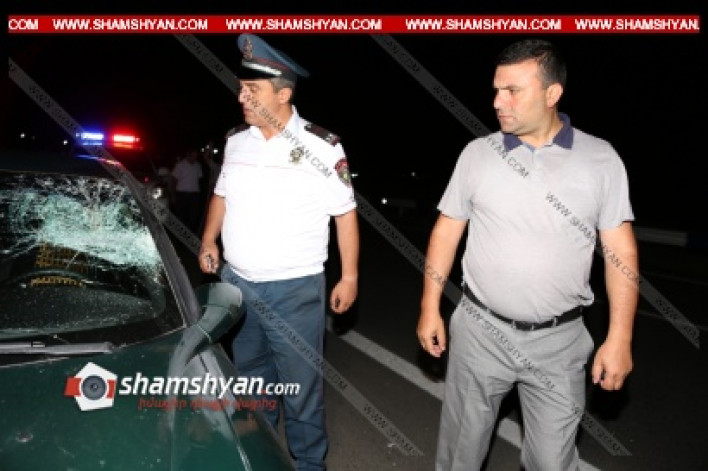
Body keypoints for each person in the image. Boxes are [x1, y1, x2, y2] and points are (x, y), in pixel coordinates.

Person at [417, 39, 638, 471]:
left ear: (552, 93)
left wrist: (620, 338)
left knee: (552, 463)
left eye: (512, 91)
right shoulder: (478, 155)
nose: (498, 101)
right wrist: (429, 308)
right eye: (496, 90)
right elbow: (445, 233)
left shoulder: (601, 160)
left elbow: (620, 251)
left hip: (559, 342)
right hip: (480, 332)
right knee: (460, 455)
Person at [199, 34, 359, 471]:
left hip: (295, 290)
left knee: (301, 392)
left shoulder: (323, 146)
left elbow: (345, 214)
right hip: (239, 287)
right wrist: (209, 239)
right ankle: (263, 461)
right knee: (253, 389)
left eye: (252, 90)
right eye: (241, 88)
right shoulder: (237, 140)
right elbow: (221, 195)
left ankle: (309, 465)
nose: (242, 97)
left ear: (283, 94)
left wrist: (349, 277)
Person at [171, 149, 203, 232]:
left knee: (193, 216)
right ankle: (180, 233)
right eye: (193, 156)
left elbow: (199, 179)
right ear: (188, 155)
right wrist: (173, 195)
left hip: (194, 195)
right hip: (182, 194)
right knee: (181, 216)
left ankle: (190, 233)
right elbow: (174, 180)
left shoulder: (198, 166)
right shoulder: (180, 165)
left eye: (196, 156)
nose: (195, 158)